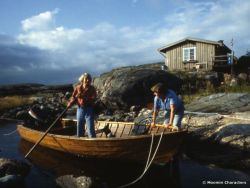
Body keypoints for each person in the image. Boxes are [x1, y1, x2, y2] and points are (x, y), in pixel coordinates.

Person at [67, 73, 97, 137]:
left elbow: (93, 98)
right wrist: (70, 103)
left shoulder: (92, 89)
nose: (88, 80)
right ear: (82, 80)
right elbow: (73, 97)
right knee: (80, 126)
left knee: (90, 127)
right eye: (86, 79)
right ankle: (80, 139)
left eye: (89, 79)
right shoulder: (78, 88)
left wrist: (83, 97)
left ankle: (92, 140)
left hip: (89, 109)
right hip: (80, 109)